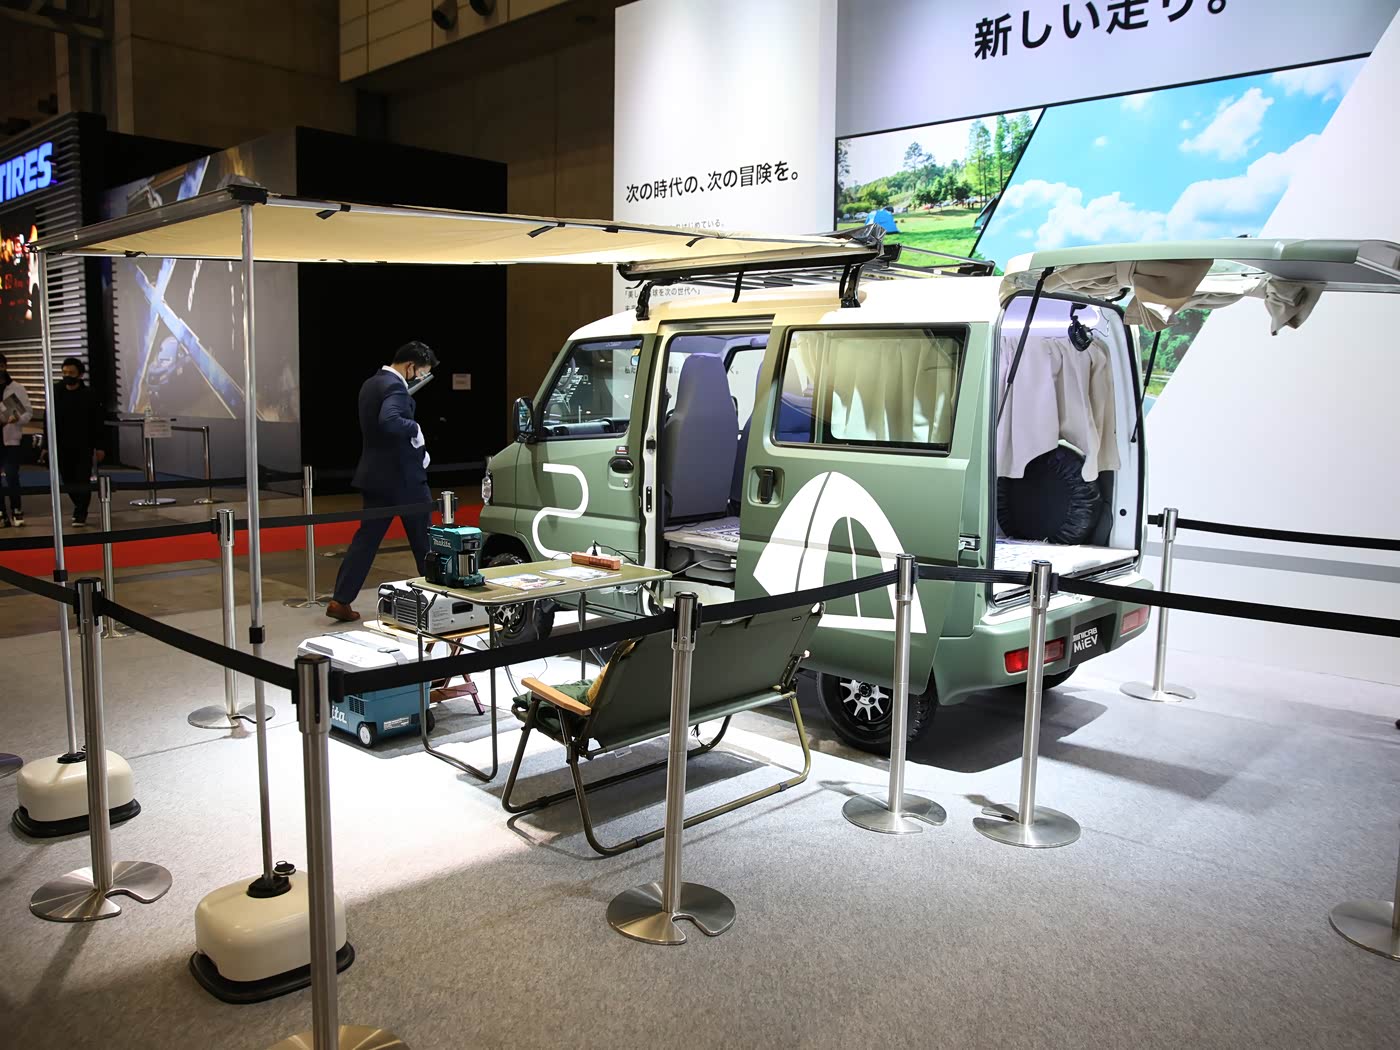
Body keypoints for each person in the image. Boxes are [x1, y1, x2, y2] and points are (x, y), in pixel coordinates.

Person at [327, 341, 438, 622]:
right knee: (424, 541)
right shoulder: (395, 387)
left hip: (375, 476)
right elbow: (390, 421)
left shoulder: (371, 383)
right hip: (404, 478)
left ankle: (340, 599)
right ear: (410, 366)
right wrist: (415, 428)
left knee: (365, 541)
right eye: (421, 372)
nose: (420, 378)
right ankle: (437, 600)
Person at [51, 357, 105, 526]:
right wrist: (46, 445)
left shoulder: (89, 395)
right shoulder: (55, 392)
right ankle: (78, 504)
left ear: (80, 375)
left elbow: (97, 422)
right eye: (65, 372)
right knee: (67, 479)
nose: (67, 376)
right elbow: (48, 419)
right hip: (61, 444)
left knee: (82, 478)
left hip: (83, 444)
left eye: (71, 373)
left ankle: (81, 512)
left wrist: (100, 446)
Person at [0, 352, 33, 528]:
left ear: (4, 366)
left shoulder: (17, 388)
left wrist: (17, 419)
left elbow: (28, 413)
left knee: (12, 475)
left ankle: (16, 509)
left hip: (11, 440)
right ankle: (1, 513)